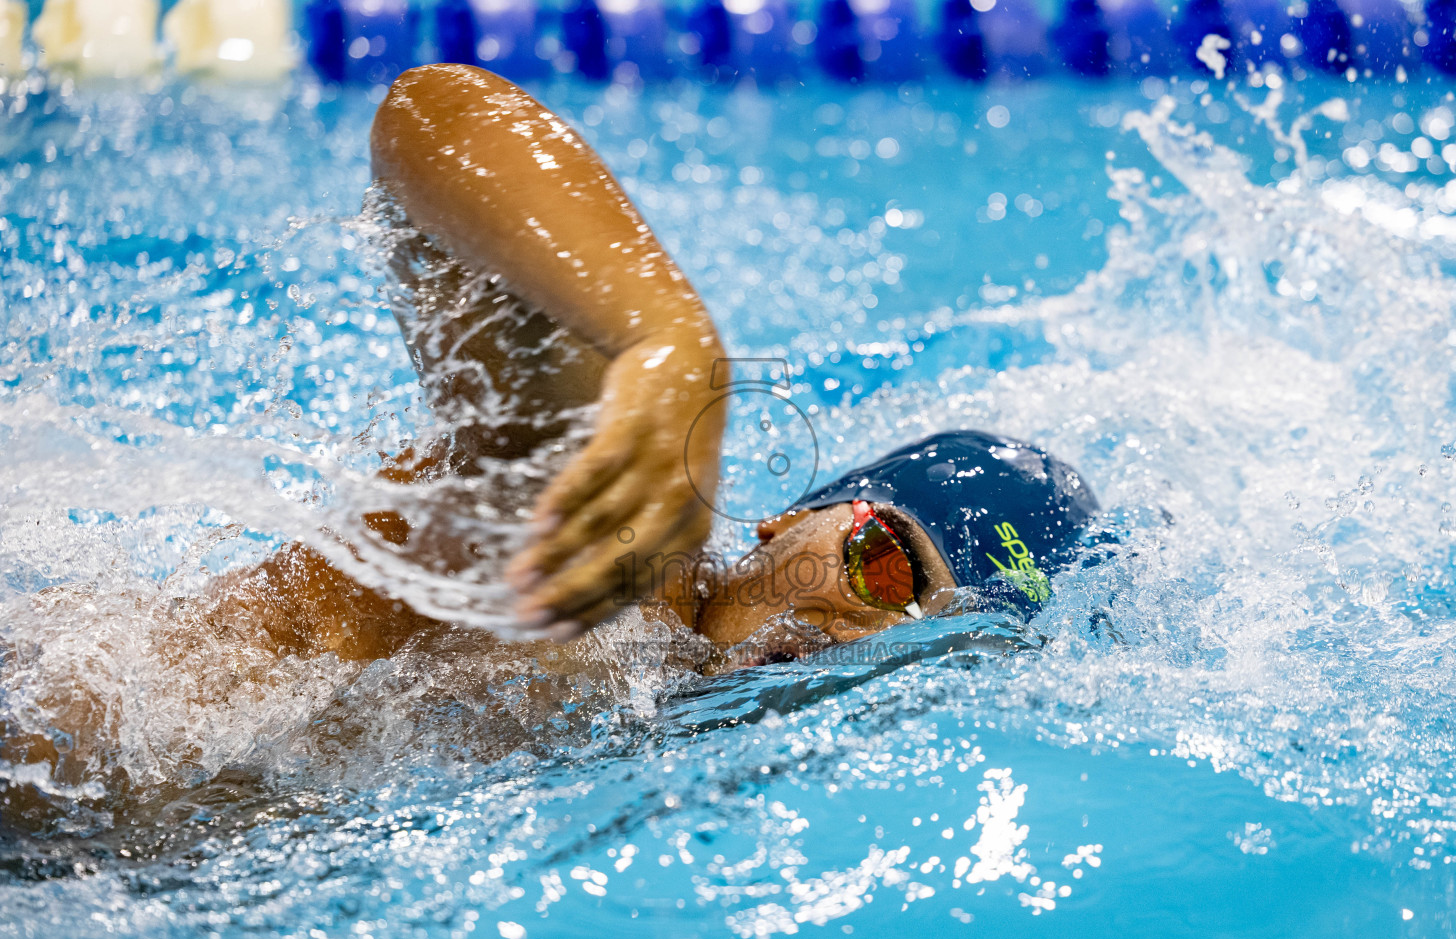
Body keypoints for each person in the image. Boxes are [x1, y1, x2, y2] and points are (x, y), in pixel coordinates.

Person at [205, 62, 1103, 672]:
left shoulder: (684, 712)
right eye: (888, 568)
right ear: (789, 521)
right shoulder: (615, 546)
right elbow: (432, 112)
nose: (866, 637)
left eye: (923, 641)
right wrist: (667, 343)